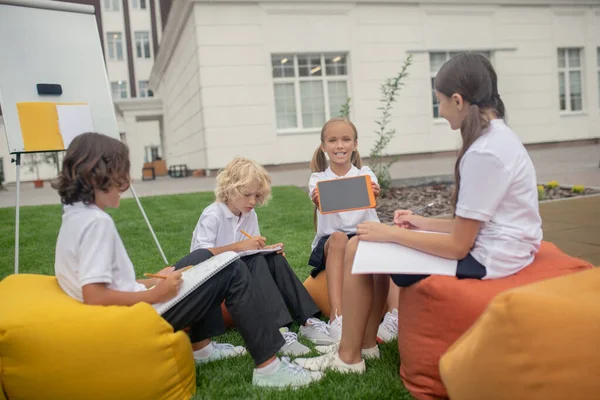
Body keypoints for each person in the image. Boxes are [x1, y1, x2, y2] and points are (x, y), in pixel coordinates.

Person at [295, 52, 543, 373]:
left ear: (458, 100)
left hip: (491, 260)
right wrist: (421, 223)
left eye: (439, 102)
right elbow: (480, 224)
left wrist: (392, 232)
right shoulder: (497, 138)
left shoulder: (484, 152)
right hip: (501, 248)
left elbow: (459, 246)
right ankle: (365, 346)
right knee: (364, 246)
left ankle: (349, 357)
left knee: (361, 246)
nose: (440, 112)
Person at [53, 132, 323, 388]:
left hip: (137, 302)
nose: (126, 183)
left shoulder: (76, 216)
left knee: (203, 257)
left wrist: (148, 282)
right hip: (142, 312)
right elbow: (95, 296)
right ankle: (269, 368)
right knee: (232, 269)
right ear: (99, 175)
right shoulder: (96, 224)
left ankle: (202, 348)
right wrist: (155, 293)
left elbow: (106, 283)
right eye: (122, 174)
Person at [190, 156, 334, 355]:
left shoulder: (249, 214)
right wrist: (242, 247)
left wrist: (266, 250)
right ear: (230, 189)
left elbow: (250, 252)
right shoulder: (213, 214)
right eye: (247, 194)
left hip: (240, 272)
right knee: (257, 260)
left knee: (273, 259)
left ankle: (309, 321)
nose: (252, 201)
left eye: (257, 196)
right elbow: (200, 257)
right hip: (214, 281)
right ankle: (279, 331)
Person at [307, 117, 381, 341]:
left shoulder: (365, 174)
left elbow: (371, 195)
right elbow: (322, 201)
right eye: (333, 140)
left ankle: (392, 316)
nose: (340, 145)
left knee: (388, 237)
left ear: (355, 144)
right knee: (339, 237)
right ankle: (337, 319)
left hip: (363, 236)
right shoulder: (318, 178)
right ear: (324, 147)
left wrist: (372, 192)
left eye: (346, 139)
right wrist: (320, 199)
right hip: (332, 243)